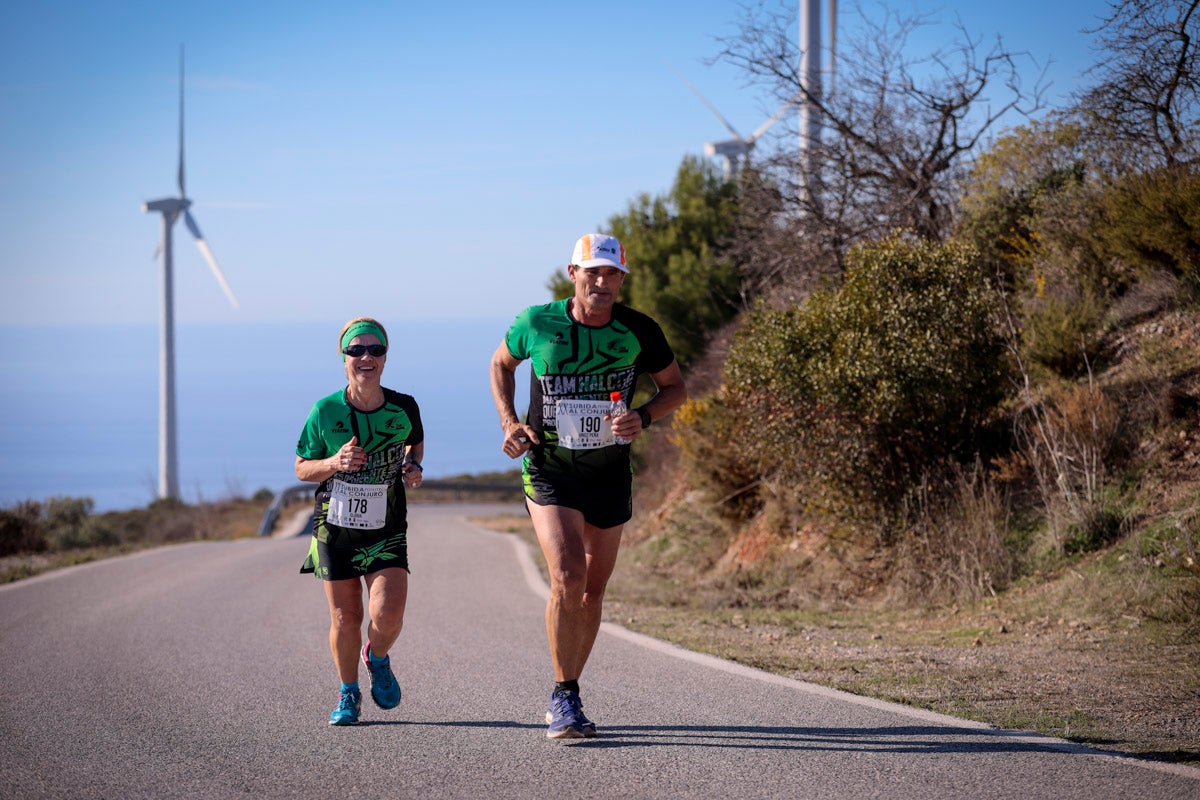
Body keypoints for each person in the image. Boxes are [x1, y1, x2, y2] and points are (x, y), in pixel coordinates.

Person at [489, 233, 687, 739]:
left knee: (593, 592)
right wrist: (511, 422)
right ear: (572, 273)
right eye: (592, 272)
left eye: (612, 274)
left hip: (609, 471)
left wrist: (642, 417)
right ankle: (563, 695)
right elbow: (500, 365)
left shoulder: (639, 329)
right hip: (550, 469)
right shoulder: (537, 322)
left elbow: (675, 388)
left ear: (622, 279)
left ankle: (570, 689)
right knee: (568, 577)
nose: (602, 282)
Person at [295, 317, 425, 726]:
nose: (366, 357)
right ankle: (348, 693)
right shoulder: (325, 410)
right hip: (335, 529)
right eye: (356, 350)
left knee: (388, 616)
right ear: (344, 357)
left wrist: (413, 464)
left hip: (386, 529)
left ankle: (378, 656)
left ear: (385, 358)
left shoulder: (404, 406)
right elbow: (301, 468)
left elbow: (414, 439)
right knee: (345, 618)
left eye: (375, 350)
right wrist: (334, 462)